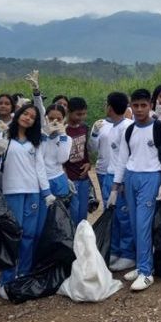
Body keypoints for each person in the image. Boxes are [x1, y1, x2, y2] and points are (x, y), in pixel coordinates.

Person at [111, 89, 161, 292]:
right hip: (131, 177)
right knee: (134, 223)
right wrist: (115, 186)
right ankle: (140, 265)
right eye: (135, 106)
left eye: (143, 105)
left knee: (143, 225)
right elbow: (122, 158)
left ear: (150, 105)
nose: (139, 110)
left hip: (151, 177)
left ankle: (147, 272)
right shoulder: (129, 130)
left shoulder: (160, 128)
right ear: (131, 106)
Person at [0, 103, 49, 298]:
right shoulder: (4, 137)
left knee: (29, 235)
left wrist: (46, 192)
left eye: (32, 117)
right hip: (12, 190)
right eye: (25, 113)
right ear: (18, 114)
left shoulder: (35, 142)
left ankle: (24, 274)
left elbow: (40, 167)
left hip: (32, 191)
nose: (27, 118)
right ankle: (6, 279)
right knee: (12, 236)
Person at [88, 93, 135, 270]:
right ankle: (114, 250)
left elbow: (128, 156)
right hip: (108, 175)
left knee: (123, 215)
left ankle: (129, 253)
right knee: (111, 214)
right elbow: (95, 148)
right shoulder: (106, 126)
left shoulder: (128, 127)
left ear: (110, 107)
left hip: (120, 177)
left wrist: (121, 181)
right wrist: (94, 133)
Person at [37, 103, 72, 235]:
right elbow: (40, 156)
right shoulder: (39, 137)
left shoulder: (66, 139)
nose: (55, 122)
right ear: (45, 118)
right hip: (41, 181)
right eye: (51, 118)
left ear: (64, 119)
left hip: (58, 180)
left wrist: (62, 136)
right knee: (42, 219)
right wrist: (45, 135)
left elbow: (62, 159)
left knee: (60, 220)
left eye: (58, 119)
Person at [64, 97, 93, 227]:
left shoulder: (84, 128)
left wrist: (88, 163)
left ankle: (81, 243)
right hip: (69, 177)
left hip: (83, 177)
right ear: (69, 112)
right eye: (78, 114)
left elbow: (85, 149)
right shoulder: (63, 130)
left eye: (84, 113)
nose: (82, 117)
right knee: (73, 213)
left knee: (83, 215)